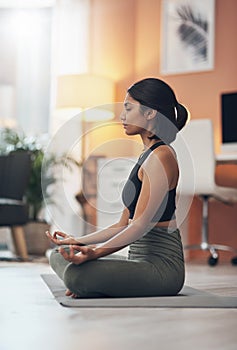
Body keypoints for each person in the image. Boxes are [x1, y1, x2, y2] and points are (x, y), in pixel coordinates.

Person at [46, 77, 188, 298]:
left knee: (77, 275)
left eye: (128, 108)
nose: (122, 116)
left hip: (162, 270)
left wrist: (93, 254)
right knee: (59, 253)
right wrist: (77, 241)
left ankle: (86, 282)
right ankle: (92, 282)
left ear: (150, 113)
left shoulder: (162, 157)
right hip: (138, 261)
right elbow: (122, 224)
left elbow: (139, 226)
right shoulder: (147, 155)